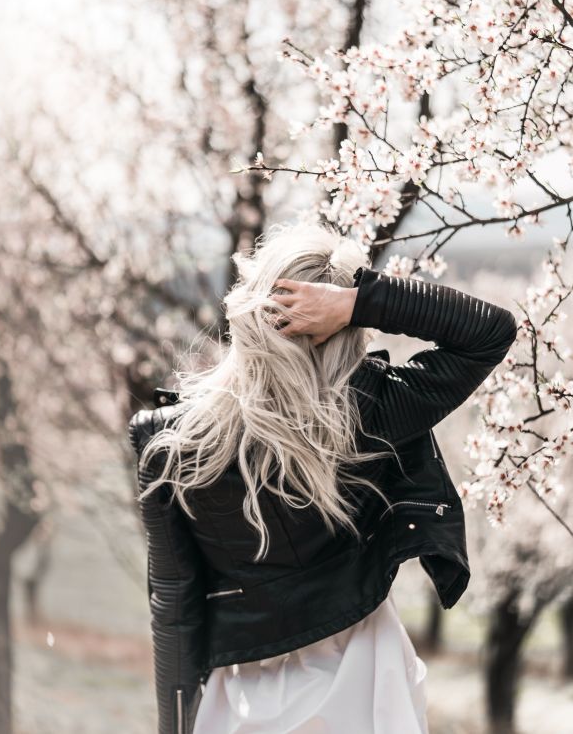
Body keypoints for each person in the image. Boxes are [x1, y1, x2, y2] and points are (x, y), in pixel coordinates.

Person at [128, 221, 518, 734]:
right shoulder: (371, 413)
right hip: (364, 675)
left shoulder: (172, 445)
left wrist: (173, 727)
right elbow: (489, 331)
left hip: (243, 694)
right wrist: (360, 302)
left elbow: (174, 609)